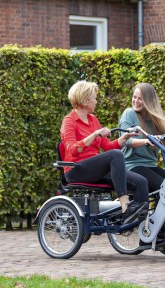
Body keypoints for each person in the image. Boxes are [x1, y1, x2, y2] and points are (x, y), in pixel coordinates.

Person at [60, 80, 149, 222]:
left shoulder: (93, 119)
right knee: (115, 155)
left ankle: (141, 227)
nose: (96, 101)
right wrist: (95, 134)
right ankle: (124, 202)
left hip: (95, 170)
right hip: (76, 170)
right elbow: (72, 149)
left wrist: (124, 139)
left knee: (141, 182)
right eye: (94, 98)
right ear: (85, 100)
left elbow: (108, 147)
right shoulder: (69, 121)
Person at [119, 83, 165, 256]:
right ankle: (160, 238)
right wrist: (146, 140)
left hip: (150, 166)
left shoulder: (153, 120)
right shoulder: (129, 114)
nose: (136, 101)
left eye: (140, 98)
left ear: (148, 101)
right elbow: (126, 140)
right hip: (132, 165)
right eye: (134, 97)